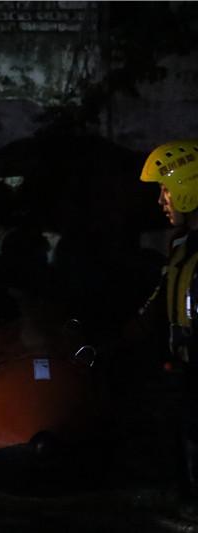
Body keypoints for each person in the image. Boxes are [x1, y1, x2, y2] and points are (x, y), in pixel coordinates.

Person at [139, 139, 198, 499]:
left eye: (166, 191)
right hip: (183, 366)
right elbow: (160, 300)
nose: (162, 201)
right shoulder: (180, 246)